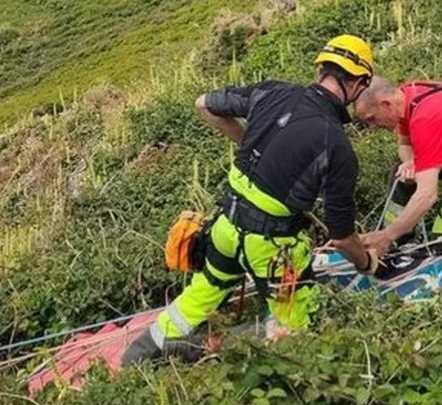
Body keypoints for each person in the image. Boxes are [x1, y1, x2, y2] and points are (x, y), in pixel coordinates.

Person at [122, 35, 379, 366]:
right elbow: (343, 238)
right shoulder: (337, 145)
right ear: (359, 82)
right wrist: (365, 262)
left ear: (321, 71)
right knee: (294, 334)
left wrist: (252, 144)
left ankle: (142, 353)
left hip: (225, 228)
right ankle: (205, 350)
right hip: (271, 246)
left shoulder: (274, 91)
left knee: (205, 290)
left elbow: (204, 104)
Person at [354, 76, 442, 254]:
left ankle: (389, 240)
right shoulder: (405, 97)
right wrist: (411, 162)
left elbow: (427, 195)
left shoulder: (426, 119)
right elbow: (405, 144)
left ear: (386, 104)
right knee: (401, 174)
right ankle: (397, 242)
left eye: (372, 119)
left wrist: (387, 236)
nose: (372, 127)